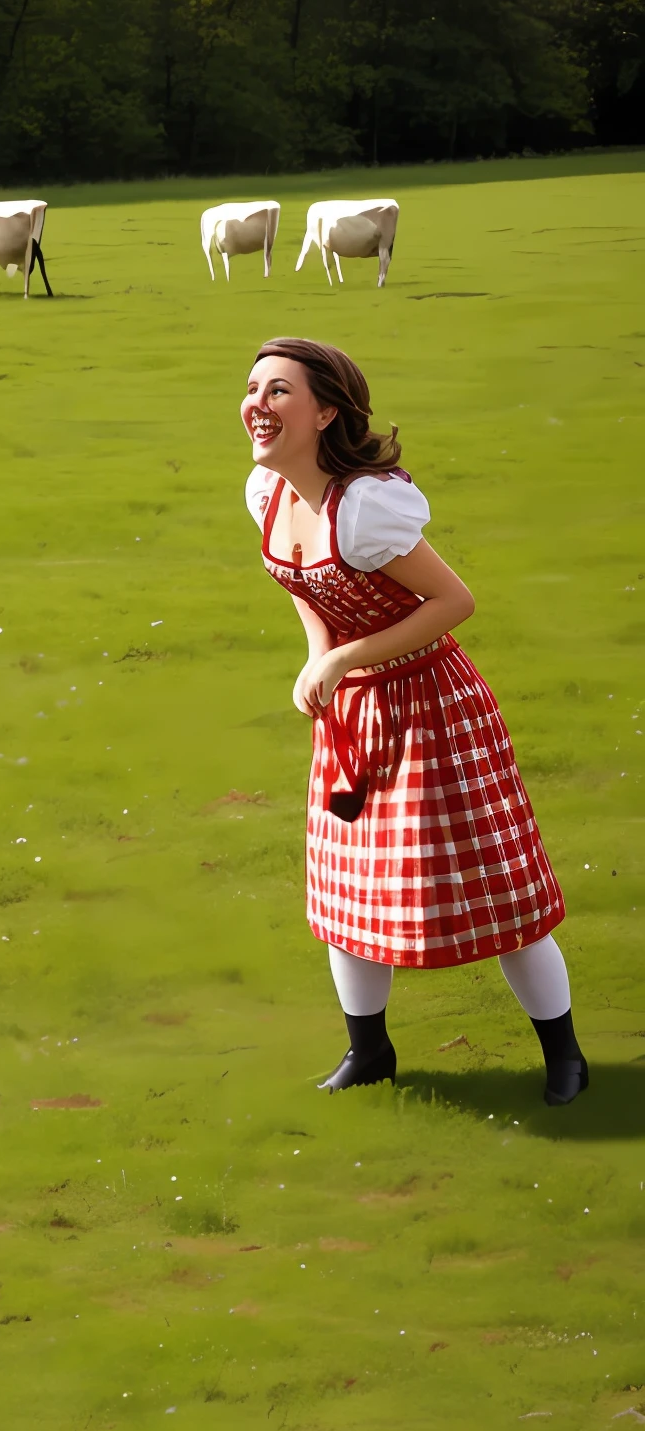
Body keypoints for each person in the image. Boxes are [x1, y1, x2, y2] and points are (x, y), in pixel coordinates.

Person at [239, 337, 586, 1104]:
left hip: (434, 710)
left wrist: (342, 659)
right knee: (347, 894)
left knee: (499, 890)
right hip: (354, 717)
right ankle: (370, 1052)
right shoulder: (267, 495)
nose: (257, 405)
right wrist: (318, 654)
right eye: (254, 389)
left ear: (325, 411)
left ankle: (564, 1054)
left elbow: (454, 602)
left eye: (280, 392)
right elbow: (301, 581)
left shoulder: (365, 507)